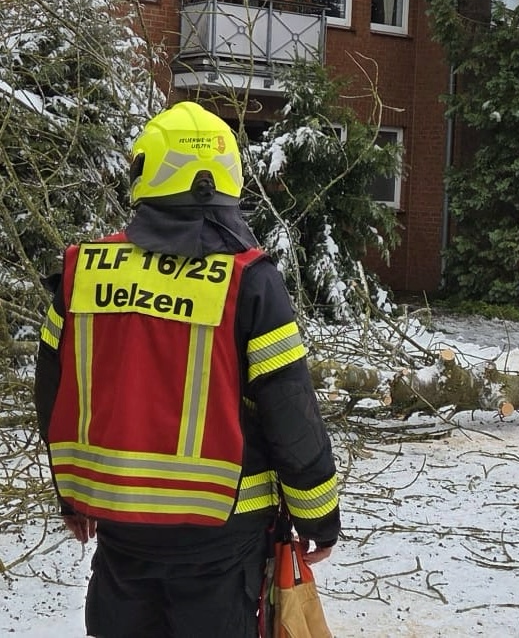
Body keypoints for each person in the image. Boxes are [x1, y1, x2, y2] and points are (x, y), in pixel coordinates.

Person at [34, 101, 340, 638]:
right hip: (223, 538)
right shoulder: (249, 280)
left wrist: (71, 494)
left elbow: (54, 390)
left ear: (144, 174)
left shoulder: (83, 273)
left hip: (121, 529)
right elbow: (289, 410)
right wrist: (318, 515)